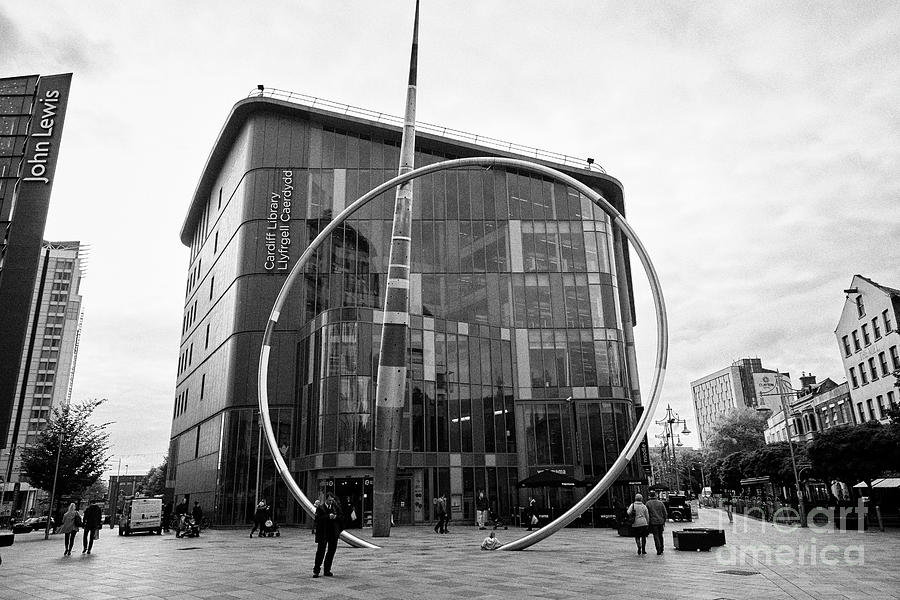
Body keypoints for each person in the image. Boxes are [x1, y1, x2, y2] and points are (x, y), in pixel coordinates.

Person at [312, 492, 343, 578]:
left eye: (332, 500)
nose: (331, 502)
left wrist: (335, 517)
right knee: (320, 552)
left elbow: (341, 517)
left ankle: (327, 570)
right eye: (329, 500)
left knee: (331, 552)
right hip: (323, 533)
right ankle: (316, 570)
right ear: (326, 499)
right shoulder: (320, 508)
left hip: (333, 533)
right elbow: (317, 520)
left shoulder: (336, 507)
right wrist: (328, 516)